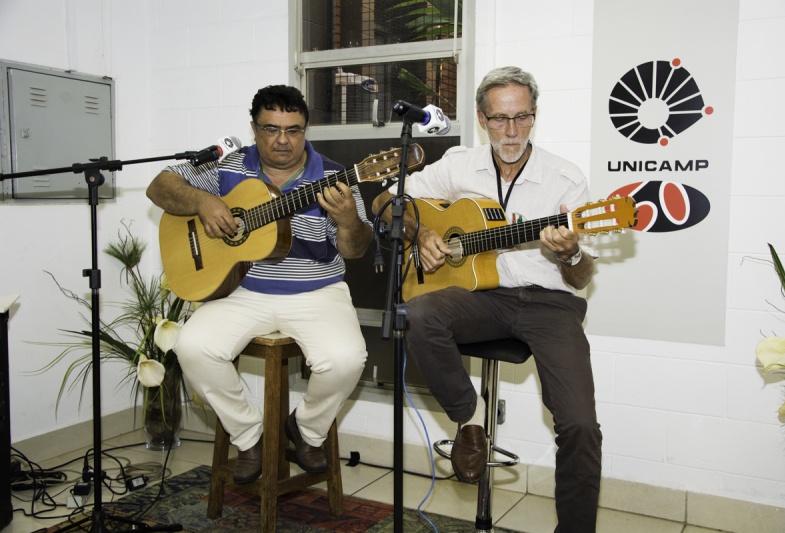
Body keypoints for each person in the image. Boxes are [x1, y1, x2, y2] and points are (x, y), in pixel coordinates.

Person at [372, 66, 601, 532]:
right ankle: (470, 418)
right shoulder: (459, 165)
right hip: (483, 295)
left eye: (522, 118)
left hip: (550, 304)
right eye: (499, 119)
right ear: (481, 118)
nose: (511, 131)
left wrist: (571, 251)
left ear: (535, 116)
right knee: (416, 313)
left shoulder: (565, 179)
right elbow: (385, 202)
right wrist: (426, 230)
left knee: (579, 425)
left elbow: (580, 278)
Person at [147, 84, 372, 484]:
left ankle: (305, 429)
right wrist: (204, 202)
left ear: (306, 129)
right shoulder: (228, 165)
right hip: (242, 290)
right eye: (271, 129)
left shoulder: (336, 176)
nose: (283, 140)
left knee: (346, 359)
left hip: (317, 292)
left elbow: (354, 251)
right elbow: (159, 187)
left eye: (294, 130)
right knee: (192, 347)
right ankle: (248, 435)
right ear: (254, 128)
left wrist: (348, 220)